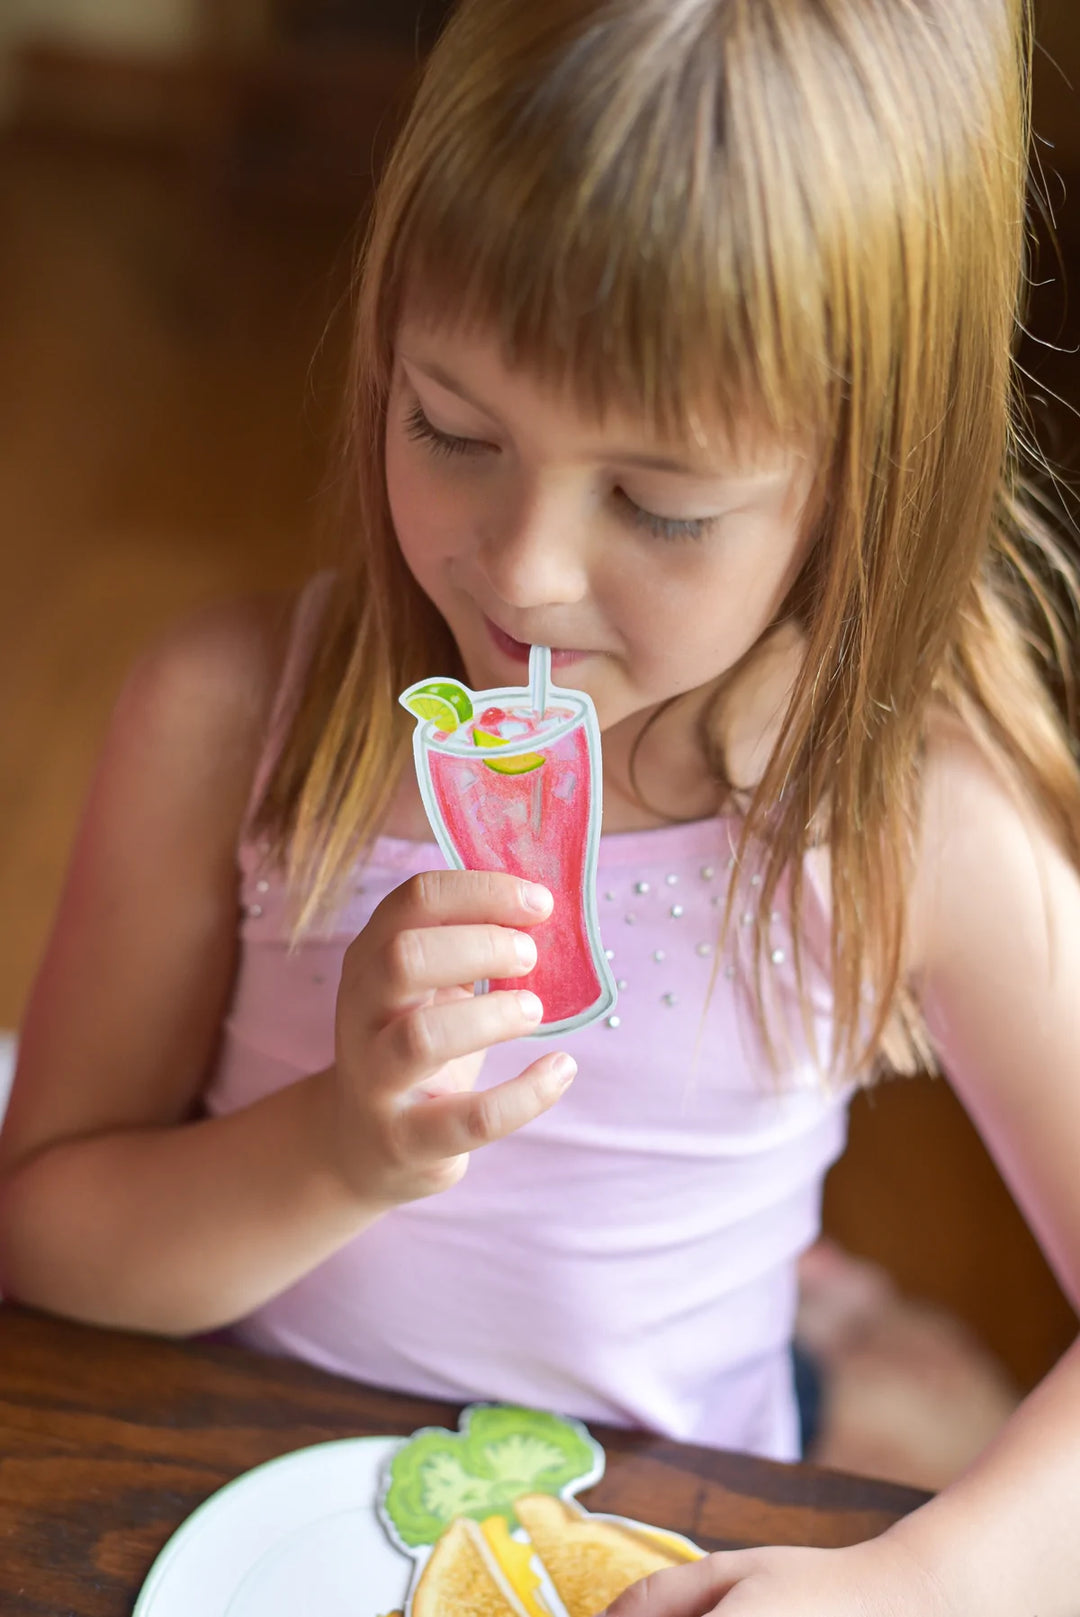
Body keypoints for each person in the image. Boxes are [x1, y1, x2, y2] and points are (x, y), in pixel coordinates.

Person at [2, 0, 1079, 1609]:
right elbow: (46, 1234)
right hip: (238, 1473)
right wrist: (337, 1151)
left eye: (659, 502)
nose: (524, 571)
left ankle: (835, 1328)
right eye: (453, 428)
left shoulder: (917, 830)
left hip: (654, 1512)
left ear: (863, 483)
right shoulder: (228, 723)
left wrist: (927, 1580)